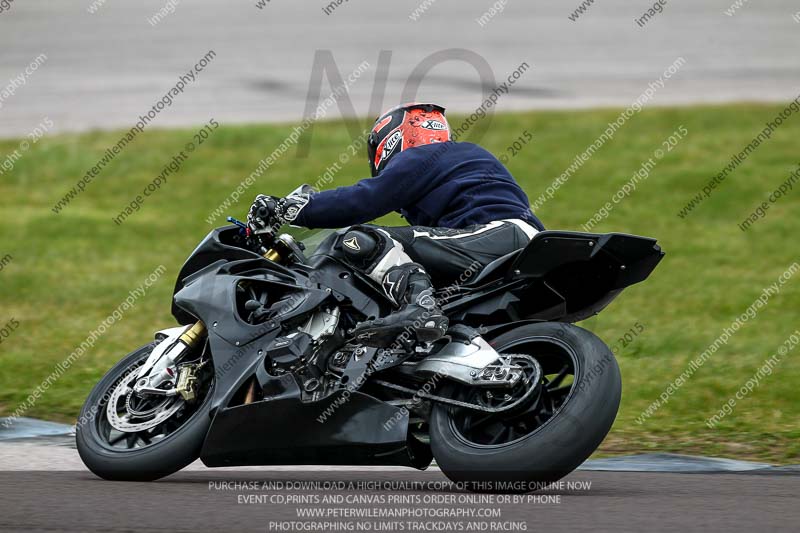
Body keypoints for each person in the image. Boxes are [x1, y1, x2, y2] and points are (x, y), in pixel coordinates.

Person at [248, 102, 544, 347]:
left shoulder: (425, 156)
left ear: (393, 138)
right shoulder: (457, 162)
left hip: (502, 236)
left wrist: (291, 209)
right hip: (513, 248)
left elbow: (363, 200)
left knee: (363, 239)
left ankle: (421, 306)